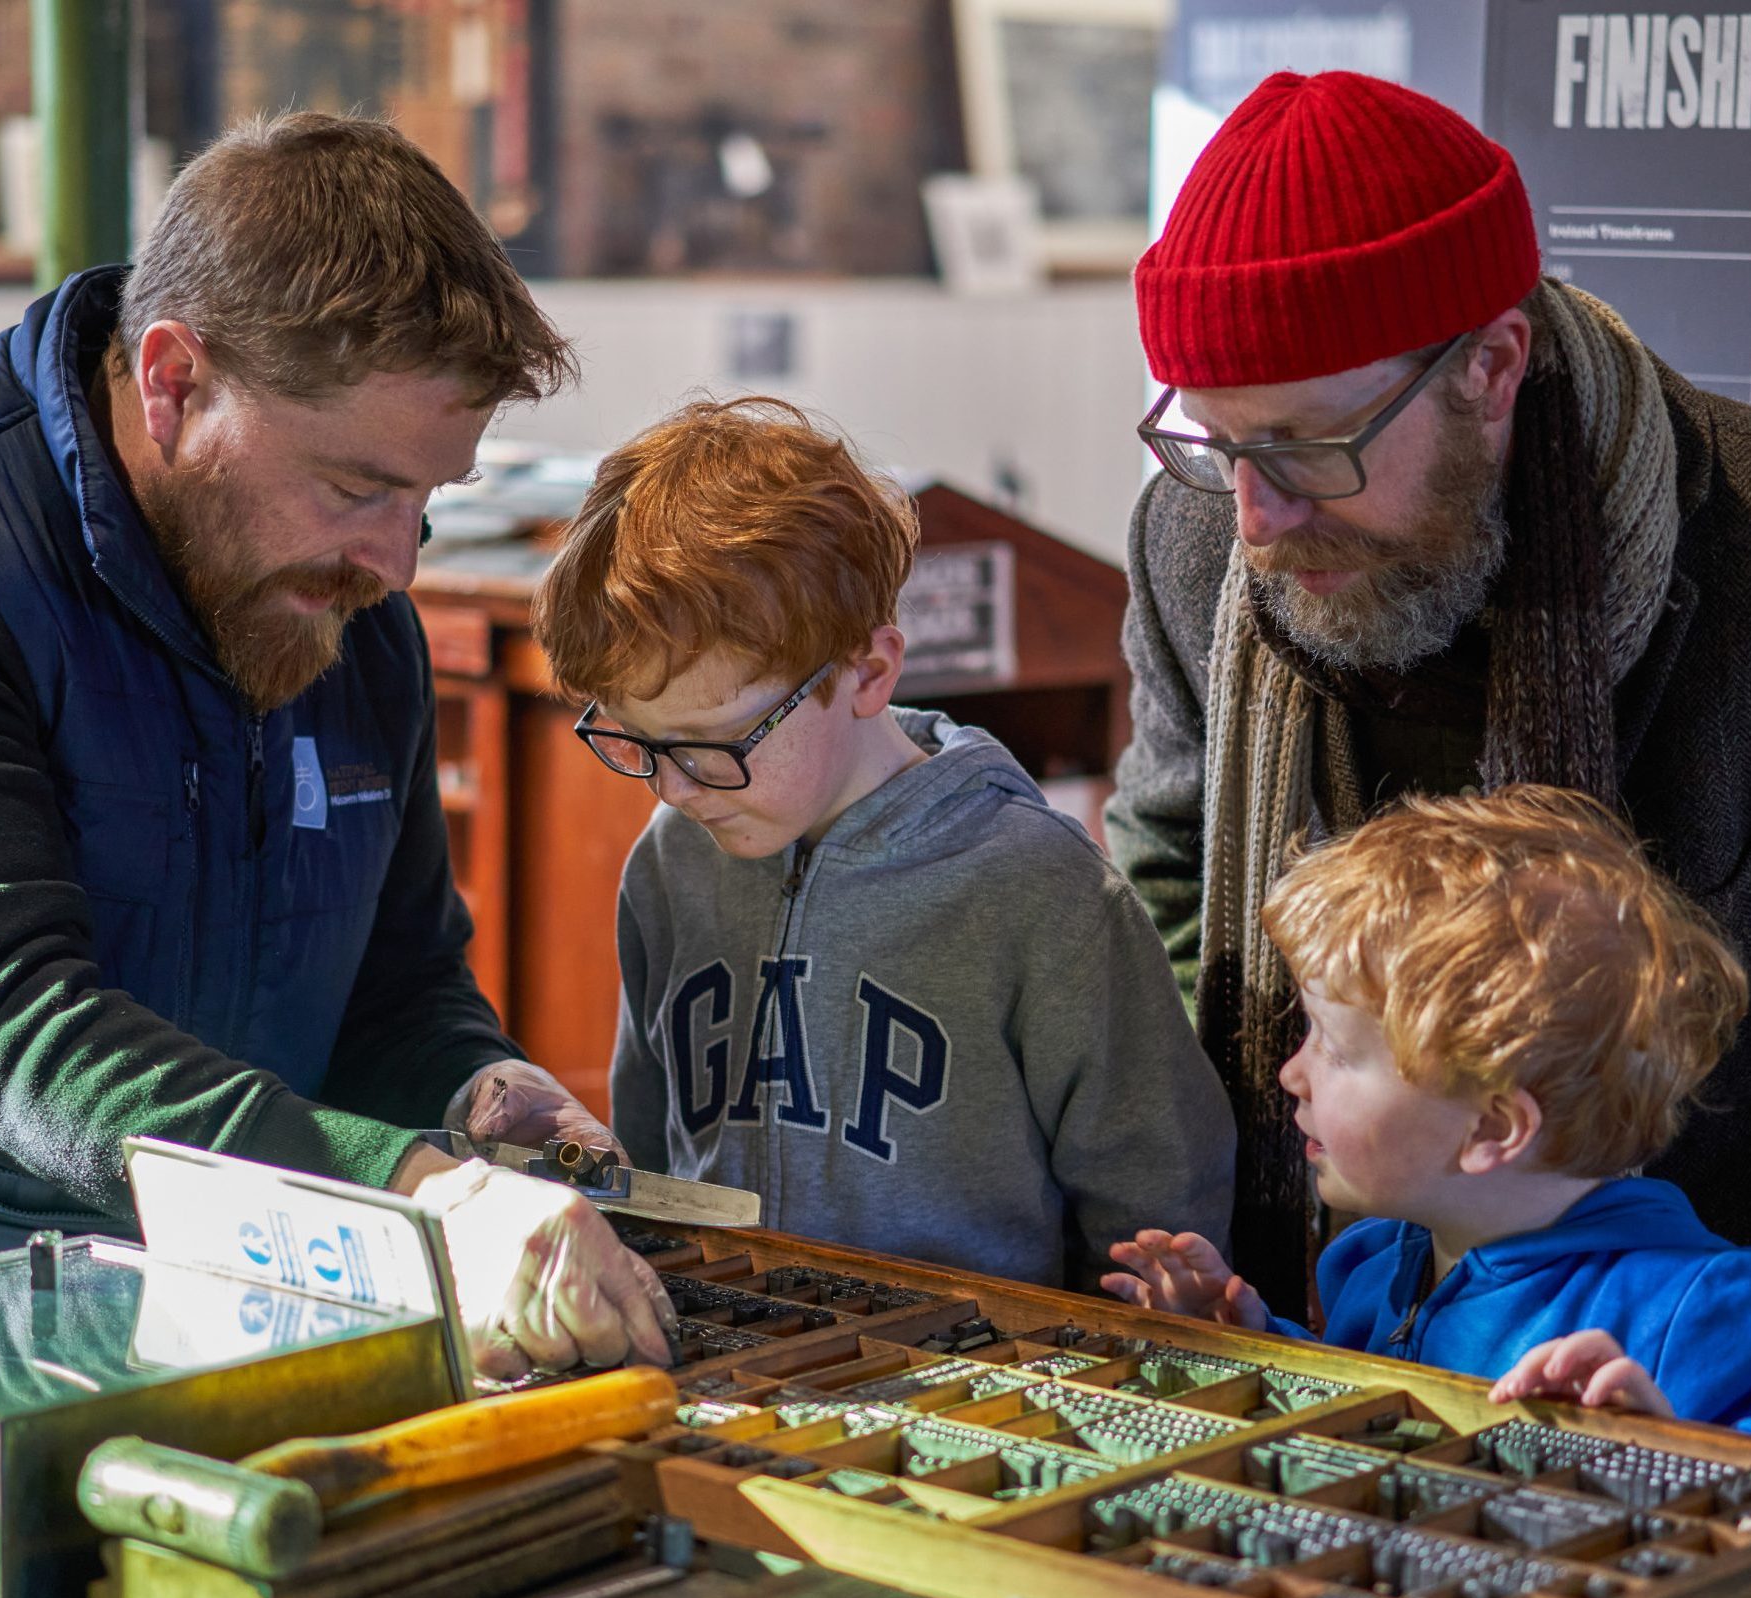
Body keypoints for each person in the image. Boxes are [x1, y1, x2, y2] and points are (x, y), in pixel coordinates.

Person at [0, 113, 672, 1376]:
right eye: (358, 489)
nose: (398, 562)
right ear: (174, 382)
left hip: (251, 1278)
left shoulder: (350, 615)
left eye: (429, 497)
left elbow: (394, 990)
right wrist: (408, 1189)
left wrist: (477, 1099)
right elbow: (7, 1030)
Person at [1104, 69, 1751, 1316]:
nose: (1258, 519)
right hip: (1349, 1281)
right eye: (1218, 442)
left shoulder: (1737, 547)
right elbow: (1171, 859)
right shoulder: (1193, 547)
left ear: (1492, 366)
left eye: (1306, 446)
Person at [530, 396, 1235, 1286]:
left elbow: (1154, 1210)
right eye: (641, 743)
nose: (672, 787)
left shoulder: (1041, 892)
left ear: (867, 672)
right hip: (733, 1360)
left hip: (978, 1388)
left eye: (710, 747)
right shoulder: (673, 859)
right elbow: (646, 1158)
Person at [1104, 786, 1751, 1428]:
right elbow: (1373, 1426)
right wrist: (1251, 1348)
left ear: (1492, 1127)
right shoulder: (1375, 1261)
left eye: (1333, 1047)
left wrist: (1670, 1459)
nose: (1291, 1073)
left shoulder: (1704, 1310)